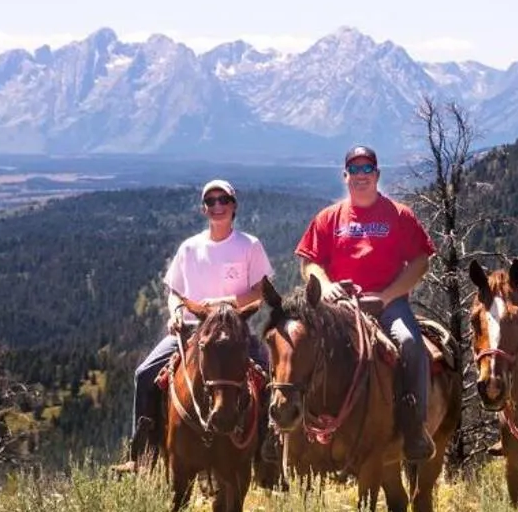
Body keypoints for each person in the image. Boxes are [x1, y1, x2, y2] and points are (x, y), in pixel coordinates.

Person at [296, 145, 437, 463]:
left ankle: (414, 426)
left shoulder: (399, 215)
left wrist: (387, 296)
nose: (361, 176)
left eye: (367, 169)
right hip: (339, 307)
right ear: (345, 176)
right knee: (295, 344)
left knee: (411, 344)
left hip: (389, 303)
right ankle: (287, 429)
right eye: (354, 170)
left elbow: (420, 262)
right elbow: (310, 263)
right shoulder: (329, 218)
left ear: (377, 174)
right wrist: (327, 285)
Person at [121, 179, 273, 466]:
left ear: (233, 206)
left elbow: (260, 290)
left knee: (269, 377)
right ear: (203, 209)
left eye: (223, 200)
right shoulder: (189, 248)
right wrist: (176, 311)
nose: (217, 206)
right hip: (192, 327)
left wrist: (224, 302)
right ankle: (143, 454)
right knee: (145, 375)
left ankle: (267, 454)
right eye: (211, 202)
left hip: (233, 330)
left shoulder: (249, 245)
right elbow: (175, 292)